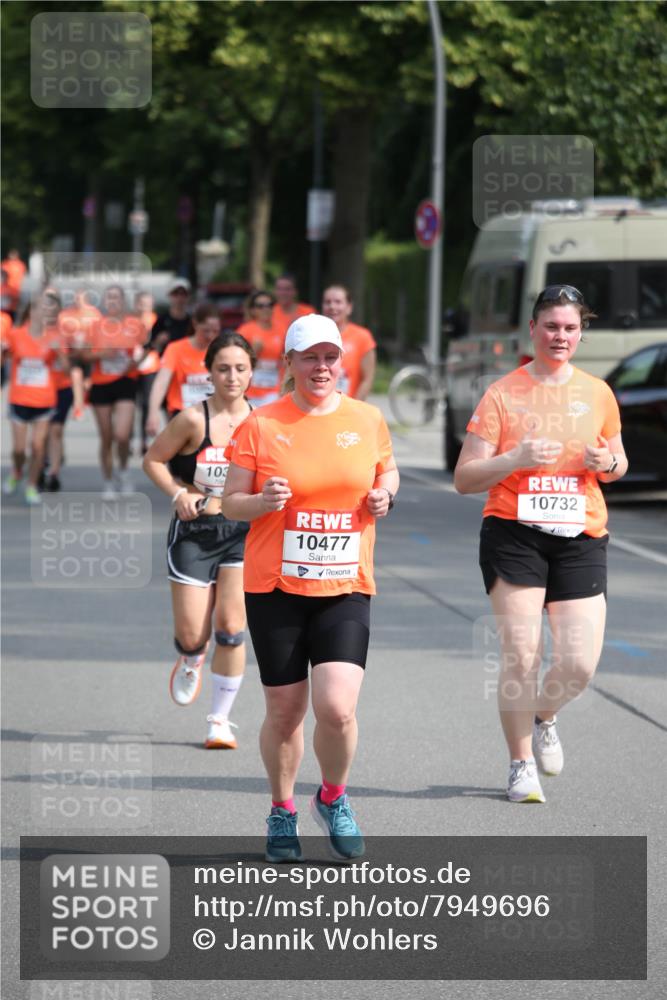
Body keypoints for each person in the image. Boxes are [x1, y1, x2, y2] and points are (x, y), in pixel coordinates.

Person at [221, 313, 399, 863]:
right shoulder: (261, 424)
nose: (321, 367)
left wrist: (384, 497)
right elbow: (231, 503)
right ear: (289, 365)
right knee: (285, 711)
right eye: (309, 358)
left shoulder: (367, 419)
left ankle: (333, 796)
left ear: (340, 362)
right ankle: (281, 810)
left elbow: (386, 473)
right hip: (275, 586)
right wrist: (262, 502)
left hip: (345, 583)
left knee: (338, 708)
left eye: (330, 357)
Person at [454, 285, 628, 803]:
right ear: (532, 329)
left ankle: (544, 715)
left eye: (570, 328)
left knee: (578, 663)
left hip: (580, 535)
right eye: (551, 326)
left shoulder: (598, 392)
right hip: (514, 532)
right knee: (522, 651)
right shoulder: (503, 393)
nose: (561, 336)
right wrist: (516, 458)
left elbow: (618, 463)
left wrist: (607, 465)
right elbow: (465, 478)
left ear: (581, 333)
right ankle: (520, 763)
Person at [143, 333, 255, 749]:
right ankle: (191, 657)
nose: (232, 376)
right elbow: (153, 460)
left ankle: (219, 721)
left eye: (240, 368)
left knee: (230, 627)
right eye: (223, 368)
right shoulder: (192, 419)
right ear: (208, 372)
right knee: (194, 634)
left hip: (242, 534)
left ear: (252, 372)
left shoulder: (261, 421)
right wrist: (179, 494)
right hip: (194, 533)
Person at [1, 291, 69, 504]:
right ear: (30, 311)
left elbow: (66, 369)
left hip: (44, 400)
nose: (42, 313)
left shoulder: (55, 338)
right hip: (19, 399)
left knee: (38, 446)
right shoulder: (15, 334)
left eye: (46, 309)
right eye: (38, 308)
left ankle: (31, 485)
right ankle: (17, 471)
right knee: (19, 449)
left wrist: (60, 354)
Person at [82, 285, 147, 498]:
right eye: (109, 298)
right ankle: (108, 481)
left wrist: (135, 363)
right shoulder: (95, 326)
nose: (113, 302)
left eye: (116, 298)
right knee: (107, 436)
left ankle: (124, 471)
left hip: (126, 382)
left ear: (123, 301)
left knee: (122, 434)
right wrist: (101, 354)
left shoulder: (135, 325)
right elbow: (83, 355)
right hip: (101, 384)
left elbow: (145, 350)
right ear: (104, 301)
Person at [145, 304, 221, 437]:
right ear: (195, 324)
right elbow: (161, 383)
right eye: (206, 330)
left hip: (213, 414)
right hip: (181, 412)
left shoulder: (221, 350)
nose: (210, 336)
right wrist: (153, 413)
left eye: (215, 331)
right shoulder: (176, 349)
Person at [43, 288, 85, 491]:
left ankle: (54, 473)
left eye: (53, 308)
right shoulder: (32, 331)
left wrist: (61, 353)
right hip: (38, 390)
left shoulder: (66, 332)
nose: (49, 312)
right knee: (41, 434)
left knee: (56, 430)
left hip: (61, 388)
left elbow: (71, 368)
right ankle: (42, 463)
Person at [322, 284, 377, 400]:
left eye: (338, 302)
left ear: (349, 307)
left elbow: (368, 379)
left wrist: (355, 408)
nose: (332, 306)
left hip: (348, 405)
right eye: (328, 302)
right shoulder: (313, 336)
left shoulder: (362, 337)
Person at [238, 290, 284, 406]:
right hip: (250, 391)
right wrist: (253, 352)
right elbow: (236, 362)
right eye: (260, 306)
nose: (266, 309)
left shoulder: (282, 330)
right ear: (253, 310)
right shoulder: (245, 331)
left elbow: (287, 362)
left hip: (274, 391)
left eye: (269, 305)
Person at [133, 291, 161, 454]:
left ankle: (145, 440)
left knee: (146, 404)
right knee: (130, 405)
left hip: (150, 366)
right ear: (137, 304)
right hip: (132, 367)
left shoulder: (156, 320)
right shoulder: (130, 321)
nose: (144, 306)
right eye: (141, 303)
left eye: (147, 303)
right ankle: (130, 438)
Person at [149, 278, 192, 354]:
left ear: (188, 297)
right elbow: (151, 348)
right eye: (175, 294)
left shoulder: (193, 322)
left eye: (183, 294)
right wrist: (158, 341)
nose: (180, 298)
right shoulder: (161, 320)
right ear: (169, 296)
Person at [271, 274, 314, 339]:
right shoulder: (270, 313)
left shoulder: (308, 312)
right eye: (279, 289)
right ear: (274, 291)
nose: (283, 293)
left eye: (287, 289)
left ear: (295, 291)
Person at [0, 249, 27, 320]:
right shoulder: (5, 264)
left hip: (17, 289)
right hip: (7, 287)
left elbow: (22, 276)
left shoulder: (20, 265)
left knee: (16, 307)